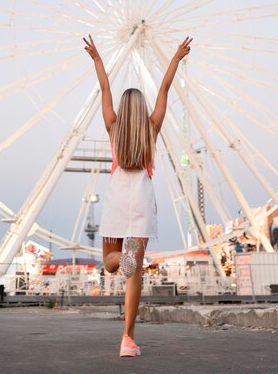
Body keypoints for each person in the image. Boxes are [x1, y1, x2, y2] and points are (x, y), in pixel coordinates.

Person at [83, 34, 192, 357]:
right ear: (142, 110)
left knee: (111, 264)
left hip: (118, 201)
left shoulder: (113, 126)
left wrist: (98, 60)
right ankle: (127, 339)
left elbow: (104, 90)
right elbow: (164, 90)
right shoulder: (152, 128)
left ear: (122, 109)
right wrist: (175, 58)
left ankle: (123, 259)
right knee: (135, 276)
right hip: (142, 203)